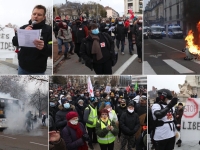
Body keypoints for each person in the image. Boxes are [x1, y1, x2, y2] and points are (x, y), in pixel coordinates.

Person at [12, 5, 52, 74]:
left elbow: (51, 49)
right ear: (31, 15)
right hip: (22, 67)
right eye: (34, 14)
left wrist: (44, 47)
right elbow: (14, 42)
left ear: (43, 17)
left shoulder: (48, 29)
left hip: (38, 70)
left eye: (39, 15)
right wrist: (23, 33)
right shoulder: (23, 28)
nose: (36, 16)